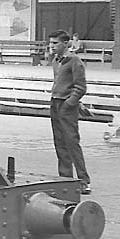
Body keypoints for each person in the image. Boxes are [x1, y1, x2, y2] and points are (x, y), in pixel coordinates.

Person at [48, 29, 91, 194]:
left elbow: (81, 86)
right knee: (59, 143)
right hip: (55, 103)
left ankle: (83, 181)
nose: (52, 46)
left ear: (65, 43)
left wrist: (70, 103)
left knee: (72, 143)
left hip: (66, 106)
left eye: (55, 43)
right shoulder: (56, 60)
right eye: (50, 43)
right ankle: (65, 179)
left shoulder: (75, 61)